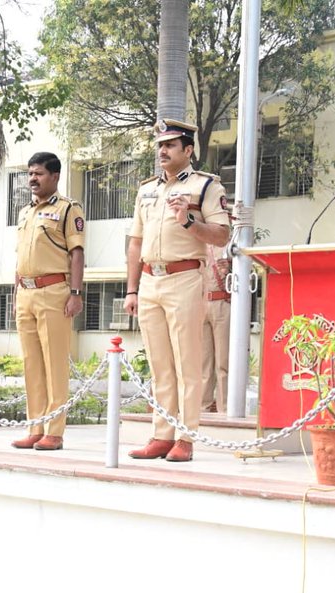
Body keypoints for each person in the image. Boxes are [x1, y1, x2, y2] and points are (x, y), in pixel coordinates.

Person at [124, 120, 231, 462]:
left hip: (185, 277)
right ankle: (161, 433)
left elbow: (221, 235)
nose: (163, 151)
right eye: (160, 146)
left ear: (188, 150)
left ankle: (185, 436)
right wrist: (131, 289)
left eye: (171, 145)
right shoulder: (146, 190)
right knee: (159, 364)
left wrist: (189, 221)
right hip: (150, 279)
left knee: (188, 362)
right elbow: (135, 242)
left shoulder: (205, 187)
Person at [10, 151, 85, 451]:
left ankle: (54, 430)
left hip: (55, 292)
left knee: (55, 364)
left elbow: (76, 253)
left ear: (55, 176)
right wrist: (16, 290)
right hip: (26, 293)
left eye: (38, 173)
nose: (32, 179)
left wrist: (76, 293)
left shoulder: (69, 209)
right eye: (30, 173)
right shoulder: (25, 212)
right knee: (31, 364)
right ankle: (34, 427)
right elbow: (21, 254)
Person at [200, 244, 231, 414]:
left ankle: (224, 410)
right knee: (203, 363)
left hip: (222, 302)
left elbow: (246, 276)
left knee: (223, 362)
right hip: (200, 303)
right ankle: (201, 410)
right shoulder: (194, 242)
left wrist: (229, 268)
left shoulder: (230, 242)